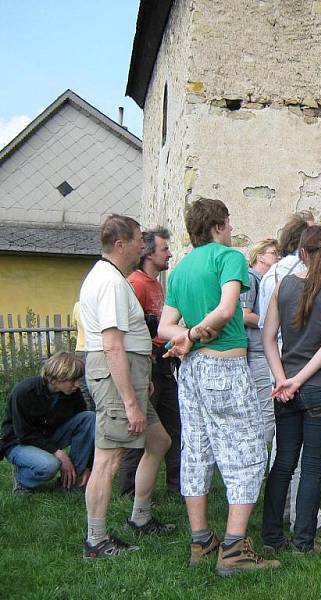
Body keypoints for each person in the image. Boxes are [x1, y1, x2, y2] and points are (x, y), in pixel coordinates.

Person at [159, 198, 279, 576]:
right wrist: (194, 334)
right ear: (218, 226)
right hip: (224, 366)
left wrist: (186, 338)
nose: (230, 230)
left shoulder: (179, 271)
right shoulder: (228, 258)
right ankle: (234, 550)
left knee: (196, 449)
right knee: (248, 451)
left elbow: (164, 328)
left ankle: (201, 541)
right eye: (228, 224)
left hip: (190, 372)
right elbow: (229, 309)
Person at [80, 214, 174, 560]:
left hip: (130, 376)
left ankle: (140, 517)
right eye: (137, 239)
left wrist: (141, 381)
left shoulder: (114, 279)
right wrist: (130, 401)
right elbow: (112, 346)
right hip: (116, 377)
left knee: (159, 441)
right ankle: (96, 539)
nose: (142, 245)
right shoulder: (109, 282)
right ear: (120, 244)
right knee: (109, 459)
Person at [261, 225, 321, 553]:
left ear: (302, 252)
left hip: (287, 390)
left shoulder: (282, 284)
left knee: (283, 462)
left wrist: (284, 379)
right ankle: (304, 542)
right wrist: (298, 380)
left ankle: (270, 537)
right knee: (311, 467)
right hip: (319, 388)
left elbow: (269, 338)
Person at [118, 228, 182, 497]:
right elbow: (132, 330)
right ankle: (130, 491)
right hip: (149, 362)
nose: (169, 253)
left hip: (165, 362)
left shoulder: (157, 284)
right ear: (148, 253)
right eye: (164, 249)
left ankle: (178, 487)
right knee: (141, 429)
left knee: (174, 427)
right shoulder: (136, 284)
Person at [1, 352, 94, 494]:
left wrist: (88, 466)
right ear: (56, 379)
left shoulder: (73, 393)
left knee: (89, 418)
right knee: (50, 465)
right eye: (72, 380)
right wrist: (59, 453)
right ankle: (22, 480)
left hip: (49, 436)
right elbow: (24, 434)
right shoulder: (24, 391)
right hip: (18, 442)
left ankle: (72, 481)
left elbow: (86, 428)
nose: (77, 384)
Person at [241, 239, 280, 449]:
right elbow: (245, 315)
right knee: (266, 413)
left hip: (264, 350)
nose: (277, 257)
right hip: (256, 351)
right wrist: (273, 324)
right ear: (260, 256)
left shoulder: (265, 279)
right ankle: (258, 461)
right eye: (273, 253)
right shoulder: (251, 278)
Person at [72, 301, 94, 410]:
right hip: (95, 349)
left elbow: (75, 326)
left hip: (80, 348)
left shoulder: (77, 305)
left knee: (83, 389)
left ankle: (87, 413)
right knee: (97, 387)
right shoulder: (99, 304)